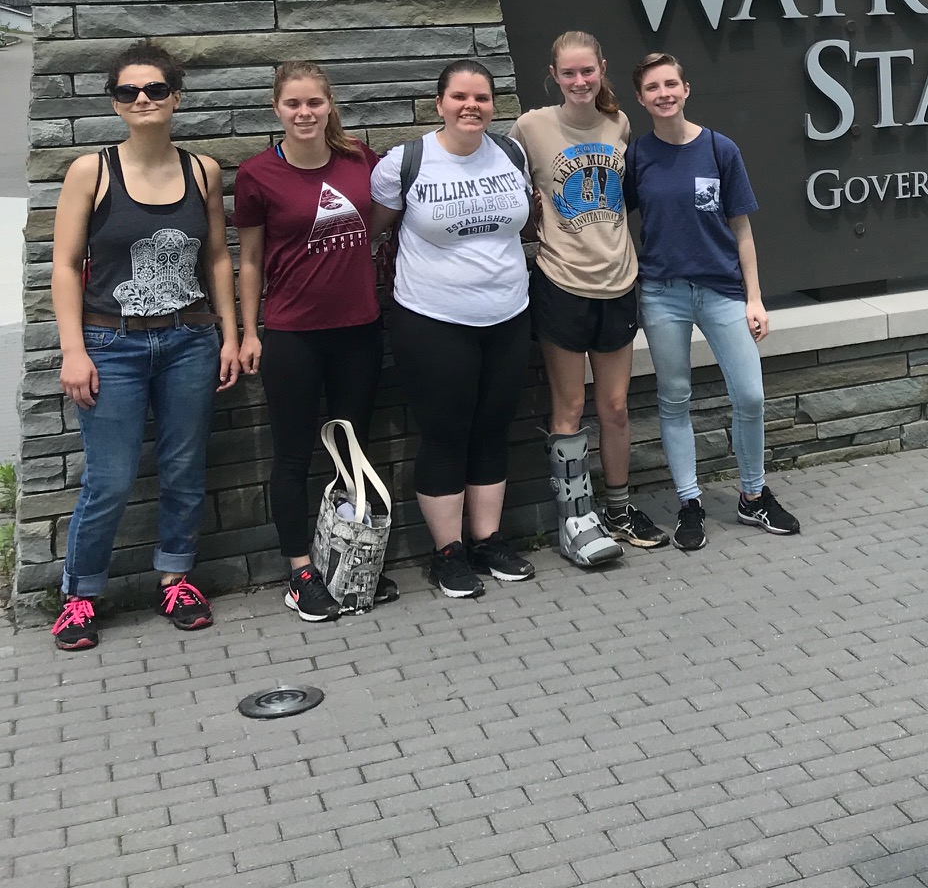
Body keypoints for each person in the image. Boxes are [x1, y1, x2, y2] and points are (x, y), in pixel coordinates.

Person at [49, 41, 239, 651]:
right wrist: (73, 349)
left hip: (189, 340)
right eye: (129, 91)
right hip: (112, 343)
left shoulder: (201, 170)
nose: (142, 99)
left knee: (184, 468)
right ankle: (80, 595)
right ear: (115, 102)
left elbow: (216, 257)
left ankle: (176, 579)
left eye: (155, 89)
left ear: (175, 97)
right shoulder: (93, 171)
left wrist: (229, 334)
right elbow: (63, 264)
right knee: (109, 475)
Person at [370, 60, 537, 599]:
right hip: (432, 319)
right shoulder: (406, 163)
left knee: (492, 427)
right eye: (460, 96)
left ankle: (487, 538)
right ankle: (448, 551)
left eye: (482, 97)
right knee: (444, 433)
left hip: (508, 315)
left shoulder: (511, 154)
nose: (472, 106)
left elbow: (526, 224)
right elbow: (377, 230)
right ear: (438, 103)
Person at [626, 52, 799, 551]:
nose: (664, 94)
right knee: (674, 396)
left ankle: (752, 495)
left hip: (722, 291)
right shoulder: (637, 157)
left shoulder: (720, 149)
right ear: (641, 98)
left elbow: (741, 229)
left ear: (686, 88)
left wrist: (755, 298)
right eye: (653, 88)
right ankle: (689, 502)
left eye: (671, 84)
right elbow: (612, 218)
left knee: (750, 395)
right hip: (663, 294)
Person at [235, 61, 383, 621]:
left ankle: (352, 564)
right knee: (294, 454)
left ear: (329, 106)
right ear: (277, 108)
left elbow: (386, 217)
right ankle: (301, 572)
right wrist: (251, 331)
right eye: (293, 104)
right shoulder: (256, 176)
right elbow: (249, 260)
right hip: (293, 334)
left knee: (354, 455)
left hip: (360, 328)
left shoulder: (358, 159)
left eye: (314, 103)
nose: (304, 113)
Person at [511, 31, 664, 565]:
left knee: (616, 407)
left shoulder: (619, 124)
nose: (580, 81)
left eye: (588, 71)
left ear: (602, 68)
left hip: (619, 281)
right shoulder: (530, 127)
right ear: (553, 75)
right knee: (570, 408)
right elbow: (514, 200)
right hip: (562, 282)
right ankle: (575, 518)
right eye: (569, 73)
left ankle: (618, 509)